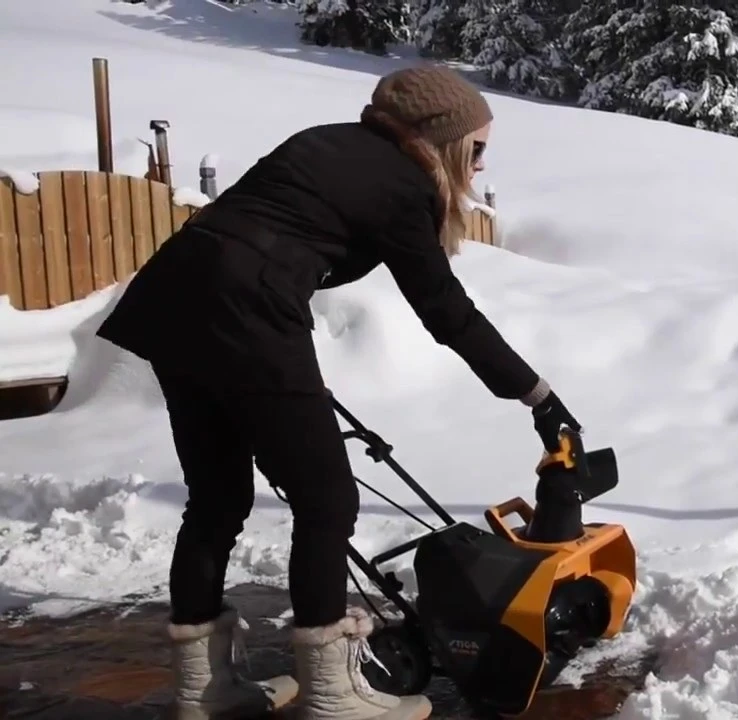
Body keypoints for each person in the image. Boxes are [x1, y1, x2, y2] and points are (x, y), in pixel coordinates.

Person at [94, 64, 579, 720]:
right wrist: (537, 394)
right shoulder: (404, 184)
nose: (482, 167)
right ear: (442, 139)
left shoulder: (324, 142)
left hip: (175, 299)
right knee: (326, 501)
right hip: (248, 310)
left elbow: (258, 237)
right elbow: (445, 311)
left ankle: (203, 693)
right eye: (479, 149)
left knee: (216, 500)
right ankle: (331, 695)